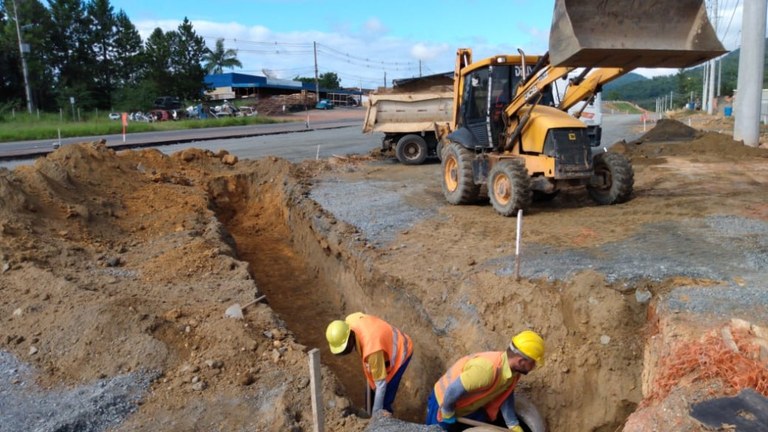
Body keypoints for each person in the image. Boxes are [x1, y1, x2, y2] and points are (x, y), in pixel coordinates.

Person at [425, 330, 545, 432]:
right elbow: (453, 389)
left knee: (482, 418)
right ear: (521, 361)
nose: (534, 366)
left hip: (467, 406)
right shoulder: (487, 370)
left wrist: (512, 424)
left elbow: (506, 395)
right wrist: (447, 410)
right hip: (443, 402)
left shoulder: (513, 372)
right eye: (533, 362)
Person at [325, 312, 413, 414]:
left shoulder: (372, 350)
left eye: (344, 347)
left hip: (401, 351)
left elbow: (381, 385)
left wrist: (376, 415)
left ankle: (384, 421)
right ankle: (369, 412)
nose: (343, 352)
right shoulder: (350, 321)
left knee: (385, 398)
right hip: (381, 345)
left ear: (350, 338)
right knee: (371, 386)